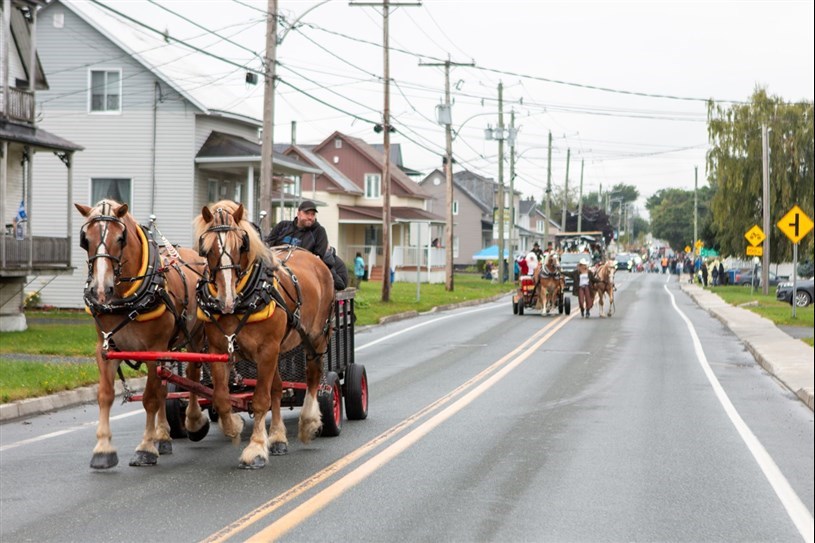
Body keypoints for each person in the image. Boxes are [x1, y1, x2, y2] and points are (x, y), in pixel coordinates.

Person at [266, 200, 346, 289]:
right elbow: (268, 245)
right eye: (307, 213)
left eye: (313, 214)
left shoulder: (319, 231)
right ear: (298, 213)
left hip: (303, 272)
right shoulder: (283, 226)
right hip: (277, 266)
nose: (310, 217)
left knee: (339, 285)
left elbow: (318, 257)